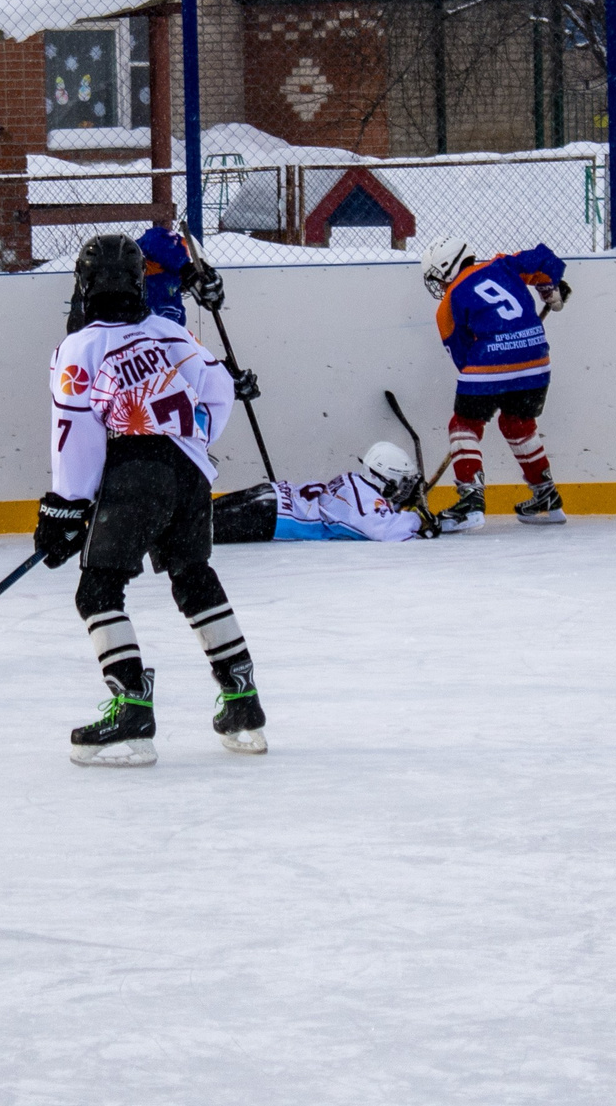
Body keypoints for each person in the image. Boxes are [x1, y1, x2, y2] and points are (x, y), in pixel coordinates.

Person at [37, 232, 265, 766]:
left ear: (84, 285)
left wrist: (65, 505)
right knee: (193, 578)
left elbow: (76, 433)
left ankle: (132, 714)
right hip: (189, 472)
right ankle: (242, 704)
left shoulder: (78, 346)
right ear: (140, 281)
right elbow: (219, 390)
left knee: (97, 592)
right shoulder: (168, 330)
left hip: (136, 471)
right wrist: (192, 440)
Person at [419, 235, 571, 528]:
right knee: (518, 424)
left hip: (489, 364)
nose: (439, 286)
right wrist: (549, 289)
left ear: (448, 266)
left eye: (439, 278)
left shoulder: (448, 304)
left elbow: (463, 359)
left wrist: (490, 373)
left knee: (464, 425)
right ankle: (547, 496)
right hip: (537, 359)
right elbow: (544, 257)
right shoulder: (503, 264)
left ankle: (470, 501)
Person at [212, 441, 438, 544]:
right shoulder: (362, 500)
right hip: (271, 516)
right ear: (384, 479)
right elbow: (384, 530)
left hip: (270, 498)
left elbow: (377, 511)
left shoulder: (355, 481)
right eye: (400, 483)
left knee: (196, 518)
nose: (402, 490)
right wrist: (417, 520)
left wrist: (399, 508)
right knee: (195, 532)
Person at [137, 224, 225, 327]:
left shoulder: (174, 292)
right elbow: (153, 239)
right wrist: (184, 266)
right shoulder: (148, 263)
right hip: (146, 331)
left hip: (166, 332)